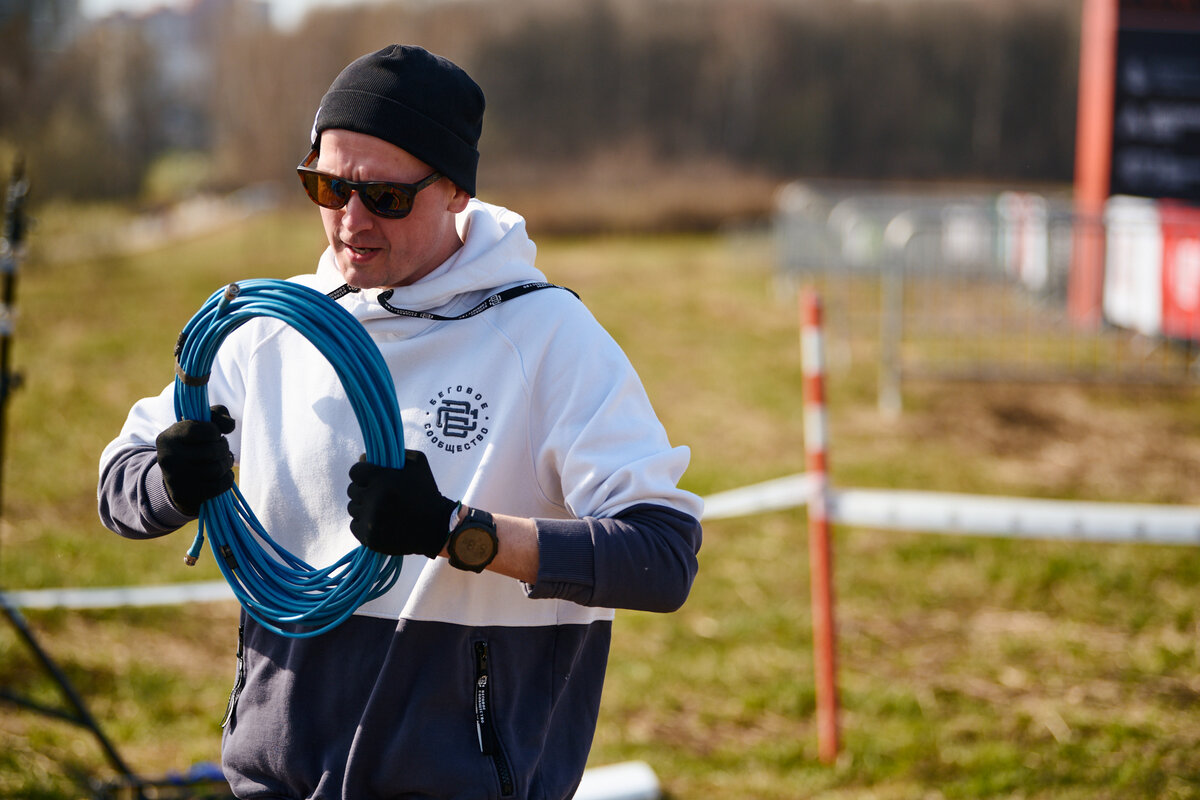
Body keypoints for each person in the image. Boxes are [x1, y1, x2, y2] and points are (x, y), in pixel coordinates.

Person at [97, 44, 702, 800]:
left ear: (455, 192)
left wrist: (460, 533)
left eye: (385, 196)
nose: (350, 220)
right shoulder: (268, 328)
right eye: (328, 187)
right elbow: (117, 485)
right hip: (273, 782)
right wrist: (174, 482)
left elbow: (662, 557)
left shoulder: (547, 338)